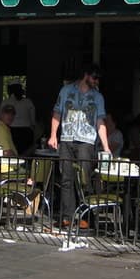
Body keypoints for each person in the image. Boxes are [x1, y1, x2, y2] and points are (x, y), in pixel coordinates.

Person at [48, 63, 110, 228]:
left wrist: (106, 146)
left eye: (98, 78)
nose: (96, 81)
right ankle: (67, 216)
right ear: (86, 75)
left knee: (84, 179)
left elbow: (100, 121)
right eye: (95, 77)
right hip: (67, 138)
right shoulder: (66, 91)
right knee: (66, 178)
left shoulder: (98, 97)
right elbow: (57, 113)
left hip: (87, 140)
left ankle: (86, 216)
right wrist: (53, 135)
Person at [1, 81, 36, 155]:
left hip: (12, 132)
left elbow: (0, 119)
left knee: (15, 154)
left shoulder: (5, 102)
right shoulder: (28, 102)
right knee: (26, 156)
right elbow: (33, 120)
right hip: (26, 132)